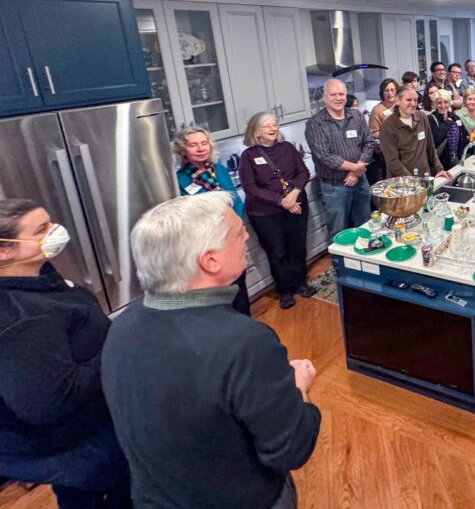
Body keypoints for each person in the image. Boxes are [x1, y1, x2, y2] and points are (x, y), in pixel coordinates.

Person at [103, 192, 321, 509]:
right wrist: (299, 389)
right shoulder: (245, 343)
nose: (247, 236)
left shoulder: (123, 324)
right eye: (238, 233)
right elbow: (290, 449)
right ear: (210, 261)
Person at [0, 199, 132, 509]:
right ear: (4, 250)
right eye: (41, 229)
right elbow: (49, 402)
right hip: (74, 449)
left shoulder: (37, 276)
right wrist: (115, 347)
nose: (55, 230)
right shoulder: (20, 317)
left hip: (89, 436)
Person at [240, 111, 314, 310]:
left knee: (297, 246)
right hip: (266, 214)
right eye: (266, 126)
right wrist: (281, 201)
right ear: (256, 131)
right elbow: (250, 188)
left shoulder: (287, 148)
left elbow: (303, 172)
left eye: (274, 125)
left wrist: (294, 193)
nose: (272, 129)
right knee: (277, 252)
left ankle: (301, 282)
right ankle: (285, 291)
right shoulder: (248, 156)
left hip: (295, 205)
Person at [174, 126, 250, 315]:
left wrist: (233, 226)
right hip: (206, 244)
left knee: (239, 287)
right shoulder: (179, 180)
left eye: (204, 143)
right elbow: (186, 217)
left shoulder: (220, 170)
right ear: (183, 150)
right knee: (218, 292)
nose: (200, 148)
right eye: (193, 145)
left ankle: (245, 323)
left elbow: (236, 200)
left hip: (231, 239)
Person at [305, 79, 374, 238]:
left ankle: (364, 253)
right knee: (338, 231)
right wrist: (355, 168)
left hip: (360, 181)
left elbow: (369, 143)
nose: (338, 98)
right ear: (324, 97)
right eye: (333, 94)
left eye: (341, 94)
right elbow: (325, 155)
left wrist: (356, 172)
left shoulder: (356, 115)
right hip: (334, 187)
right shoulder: (315, 124)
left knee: (364, 225)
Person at [380, 85, 453, 180]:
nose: (413, 103)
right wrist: (412, 180)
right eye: (409, 100)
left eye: (415, 100)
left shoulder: (422, 117)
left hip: (424, 177)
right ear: (398, 101)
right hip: (401, 182)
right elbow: (392, 161)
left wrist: (439, 169)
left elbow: (430, 148)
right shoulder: (388, 126)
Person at [367, 78, 399, 185]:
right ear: (382, 92)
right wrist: (391, 134)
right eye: (386, 90)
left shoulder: (402, 104)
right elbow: (373, 132)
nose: (390, 93)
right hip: (387, 152)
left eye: (392, 90)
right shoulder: (377, 110)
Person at [428, 89, 466, 170]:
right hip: (440, 164)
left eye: (445, 102)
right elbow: (436, 140)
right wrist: (448, 123)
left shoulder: (455, 117)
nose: (443, 105)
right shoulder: (431, 119)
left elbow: (464, 136)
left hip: (456, 160)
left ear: (449, 103)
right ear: (435, 104)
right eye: (439, 103)